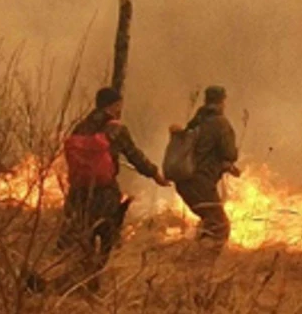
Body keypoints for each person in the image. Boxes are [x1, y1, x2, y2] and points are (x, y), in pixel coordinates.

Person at [59, 86, 169, 281]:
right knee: (108, 236)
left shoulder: (80, 126)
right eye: (119, 105)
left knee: (84, 236)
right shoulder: (116, 129)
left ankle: (81, 275)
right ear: (113, 105)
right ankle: (96, 276)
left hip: (78, 192)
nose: (120, 109)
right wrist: (155, 175)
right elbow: (134, 155)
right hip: (104, 191)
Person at [172, 85, 240, 251]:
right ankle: (201, 267)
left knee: (209, 222)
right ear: (222, 101)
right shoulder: (220, 123)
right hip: (200, 182)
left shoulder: (196, 120)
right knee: (220, 226)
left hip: (183, 181)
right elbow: (230, 153)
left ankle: (193, 261)